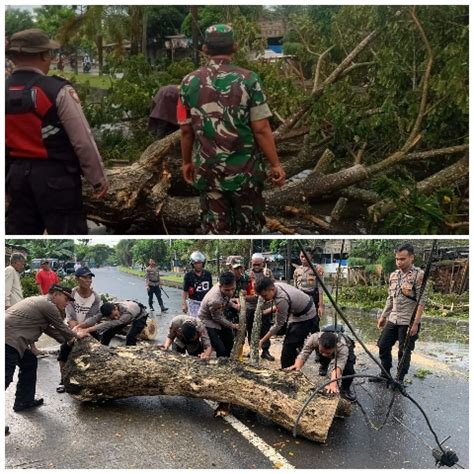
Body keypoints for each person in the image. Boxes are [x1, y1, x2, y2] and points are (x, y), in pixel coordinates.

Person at [177, 24, 286, 234]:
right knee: (249, 229)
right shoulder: (249, 79)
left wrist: (186, 162)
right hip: (245, 174)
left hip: (208, 172)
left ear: (205, 49)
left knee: (216, 230)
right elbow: (261, 128)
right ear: (234, 47)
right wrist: (276, 164)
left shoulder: (187, 82)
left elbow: (185, 130)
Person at [5, 28, 108, 234]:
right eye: (50, 53)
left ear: (14, 57)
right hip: (57, 180)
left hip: (15, 179)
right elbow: (82, 140)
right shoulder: (57, 90)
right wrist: (98, 179)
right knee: (68, 232)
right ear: (44, 55)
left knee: (21, 231)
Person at [5, 285, 87, 417]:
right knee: (5, 377)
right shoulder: (48, 305)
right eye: (66, 299)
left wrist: (69, 343)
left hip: (12, 338)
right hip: (8, 340)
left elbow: (52, 331)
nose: (67, 303)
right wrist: (77, 337)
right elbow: (61, 327)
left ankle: (24, 401)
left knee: (29, 362)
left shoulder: (40, 303)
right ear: (55, 295)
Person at [371, 243, 426, 384]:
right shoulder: (394, 275)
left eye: (402, 259)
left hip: (408, 320)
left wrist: (415, 324)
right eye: (397, 259)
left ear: (411, 258)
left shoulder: (418, 275)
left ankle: (399, 379)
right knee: (382, 344)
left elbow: (421, 301)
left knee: (404, 351)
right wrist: (383, 316)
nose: (399, 262)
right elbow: (390, 298)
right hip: (393, 318)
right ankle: (385, 373)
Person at [56, 266, 101, 393]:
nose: (88, 280)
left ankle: (92, 379)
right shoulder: (71, 294)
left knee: (98, 350)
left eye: (90, 277)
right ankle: (63, 380)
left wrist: (83, 331)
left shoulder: (95, 298)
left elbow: (92, 318)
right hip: (72, 327)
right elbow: (70, 315)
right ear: (77, 279)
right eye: (85, 277)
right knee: (64, 351)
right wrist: (74, 333)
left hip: (88, 328)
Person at [256, 277, 318, 369]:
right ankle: (297, 353)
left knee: (288, 347)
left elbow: (278, 324)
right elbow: (282, 306)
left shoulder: (281, 298)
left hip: (306, 316)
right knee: (291, 338)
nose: (264, 299)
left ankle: (287, 370)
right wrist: (266, 311)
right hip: (298, 310)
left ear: (271, 289)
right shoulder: (276, 285)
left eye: (265, 296)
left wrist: (262, 340)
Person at [286, 331, 357, 402]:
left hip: (346, 346)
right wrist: (297, 366)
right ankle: (324, 366)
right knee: (322, 357)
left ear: (335, 347)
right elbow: (305, 352)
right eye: (322, 351)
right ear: (319, 342)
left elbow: (339, 365)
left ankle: (345, 389)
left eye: (328, 352)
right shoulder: (313, 338)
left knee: (349, 369)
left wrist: (333, 383)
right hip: (325, 346)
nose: (325, 354)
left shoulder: (342, 347)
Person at [6, 253, 46, 358]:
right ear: (16, 262)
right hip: (13, 309)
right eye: (22, 264)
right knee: (29, 325)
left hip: (17, 307)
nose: (23, 266)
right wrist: (7, 307)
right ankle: (30, 349)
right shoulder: (10, 270)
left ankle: (31, 348)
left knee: (28, 326)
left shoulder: (14, 272)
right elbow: (5, 290)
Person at [198, 272, 240, 357]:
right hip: (207, 320)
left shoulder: (225, 288)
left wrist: (234, 305)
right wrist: (233, 325)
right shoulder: (215, 300)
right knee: (220, 348)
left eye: (233, 289)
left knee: (229, 341)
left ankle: (226, 360)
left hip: (218, 314)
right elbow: (217, 318)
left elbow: (226, 300)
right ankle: (220, 362)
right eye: (227, 290)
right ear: (220, 286)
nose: (231, 292)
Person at [75, 300, 148, 347]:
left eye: (116, 315)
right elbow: (94, 318)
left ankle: (132, 353)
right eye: (112, 317)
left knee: (130, 336)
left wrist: (88, 330)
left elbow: (109, 324)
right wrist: (79, 326)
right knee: (107, 333)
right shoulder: (107, 308)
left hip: (140, 316)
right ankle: (103, 349)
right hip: (125, 314)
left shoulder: (127, 313)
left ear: (116, 308)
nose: (116, 317)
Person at [246, 253, 275, 361]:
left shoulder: (267, 272)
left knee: (265, 328)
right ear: (251, 263)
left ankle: (265, 350)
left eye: (259, 264)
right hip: (250, 305)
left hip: (264, 305)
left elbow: (273, 286)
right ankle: (252, 349)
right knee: (251, 328)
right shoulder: (247, 274)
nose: (256, 266)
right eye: (255, 264)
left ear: (263, 263)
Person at [293, 251, 324, 332]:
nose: (303, 258)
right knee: (300, 322)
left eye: (306, 256)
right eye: (302, 256)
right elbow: (295, 287)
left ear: (311, 257)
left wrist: (321, 305)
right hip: (300, 299)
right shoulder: (297, 270)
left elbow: (320, 287)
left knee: (314, 323)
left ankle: (315, 341)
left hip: (312, 298)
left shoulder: (316, 269)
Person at [182, 251, 213, 317]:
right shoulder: (188, 275)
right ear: (192, 264)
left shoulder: (208, 274)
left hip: (205, 302)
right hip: (193, 302)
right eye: (196, 263)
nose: (198, 265)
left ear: (203, 263)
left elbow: (211, 289)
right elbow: (185, 291)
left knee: (208, 320)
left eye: (200, 263)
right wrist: (184, 304)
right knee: (195, 321)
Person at [224, 256, 249, 324]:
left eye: (241, 267)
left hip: (241, 310)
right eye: (236, 268)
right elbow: (220, 298)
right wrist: (233, 302)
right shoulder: (226, 278)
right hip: (226, 310)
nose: (239, 271)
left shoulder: (245, 278)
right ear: (230, 268)